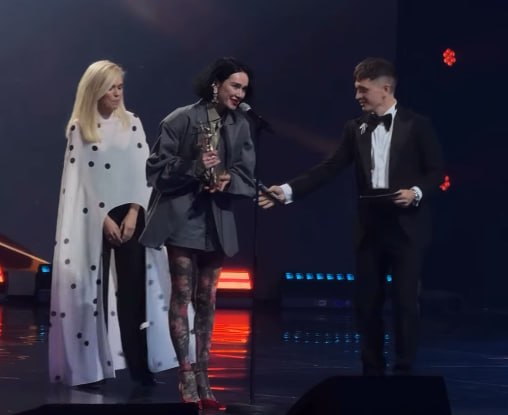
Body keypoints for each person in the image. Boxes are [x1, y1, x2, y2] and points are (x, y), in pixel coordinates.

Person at [259, 57, 444, 376]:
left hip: (407, 226)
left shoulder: (418, 125)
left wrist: (415, 192)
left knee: (405, 301)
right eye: (356, 89)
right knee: (367, 302)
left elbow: (436, 173)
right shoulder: (355, 128)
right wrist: (287, 190)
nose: (357, 96)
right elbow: (330, 167)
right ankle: (371, 369)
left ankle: (404, 370)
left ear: (385, 89)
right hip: (371, 226)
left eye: (363, 89)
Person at [49, 60, 176, 388]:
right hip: (94, 216)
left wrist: (134, 212)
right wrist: (102, 217)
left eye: (120, 87)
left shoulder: (132, 123)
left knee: (134, 292)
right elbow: (80, 178)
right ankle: (90, 369)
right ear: (96, 90)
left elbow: (141, 171)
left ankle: (140, 367)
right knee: (91, 292)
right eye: (111, 88)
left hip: (130, 213)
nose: (117, 93)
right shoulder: (80, 127)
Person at [139, 57, 256, 408]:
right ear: (215, 84)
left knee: (208, 300)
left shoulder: (241, 124)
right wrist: (193, 167)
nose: (240, 94)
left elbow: (247, 175)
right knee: (183, 294)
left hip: (216, 221)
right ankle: (186, 374)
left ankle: (204, 376)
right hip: (183, 220)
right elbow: (155, 170)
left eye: (244, 89)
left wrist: (227, 179)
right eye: (235, 86)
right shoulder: (181, 119)